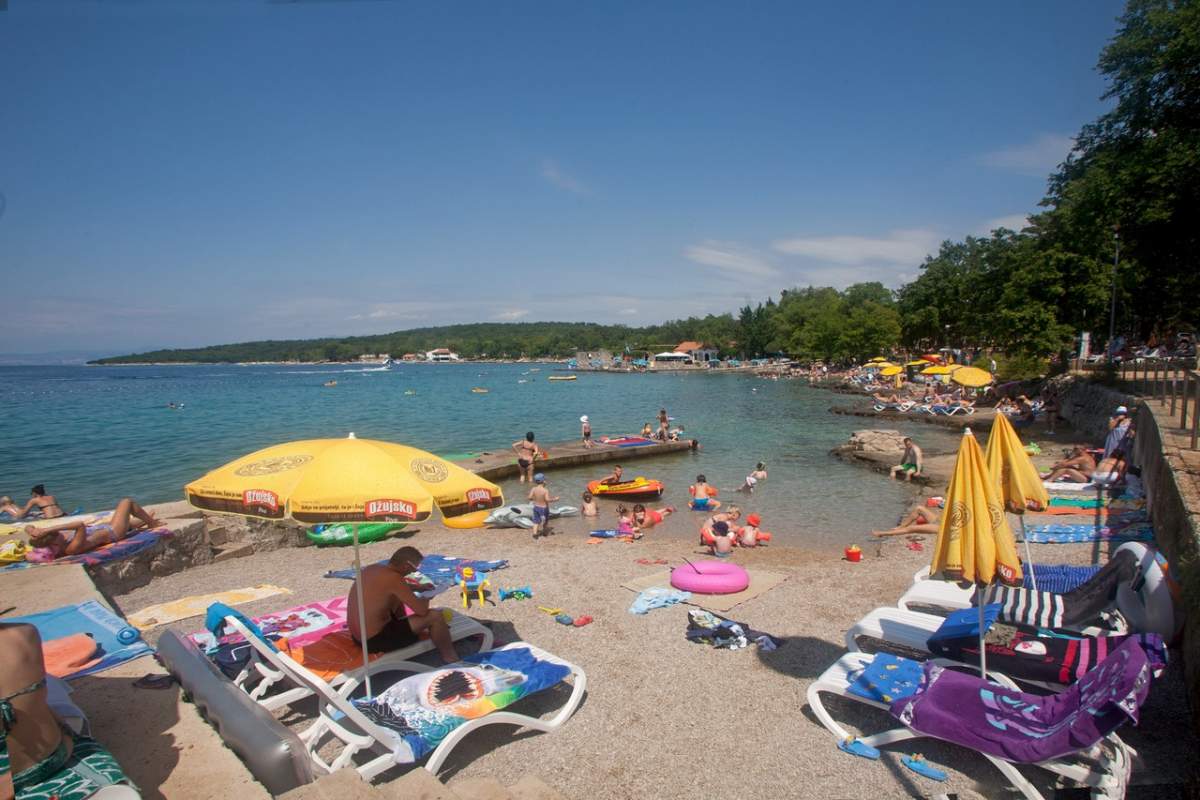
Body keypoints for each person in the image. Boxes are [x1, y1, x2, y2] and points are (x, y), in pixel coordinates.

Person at [346, 546, 458, 663]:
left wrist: (418, 587)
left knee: (396, 597)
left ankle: (405, 628)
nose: (414, 572)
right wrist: (428, 595)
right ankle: (450, 656)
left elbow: (393, 587)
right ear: (406, 566)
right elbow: (422, 611)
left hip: (358, 638)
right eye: (414, 569)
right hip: (374, 642)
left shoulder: (372, 569)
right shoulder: (394, 578)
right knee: (435, 616)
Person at [26, 497, 161, 558]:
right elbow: (79, 525)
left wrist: (33, 530)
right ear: (54, 542)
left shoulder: (59, 542)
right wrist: (50, 529)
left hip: (105, 527)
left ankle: (146, 519)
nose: (62, 534)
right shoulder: (71, 548)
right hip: (113, 533)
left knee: (131, 522)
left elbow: (28, 526)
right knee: (127, 502)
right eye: (59, 535)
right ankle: (151, 523)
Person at [873, 503, 942, 536]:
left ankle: (882, 533)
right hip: (940, 521)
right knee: (919, 508)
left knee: (911, 528)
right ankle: (900, 527)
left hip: (943, 528)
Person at [528, 473, 558, 539]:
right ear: (543, 481)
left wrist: (535, 499)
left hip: (536, 507)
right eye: (545, 479)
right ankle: (545, 533)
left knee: (536, 521)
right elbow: (547, 500)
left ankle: (535, 534)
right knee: (545, 521)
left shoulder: (533, 489)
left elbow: (529, 497)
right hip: (544, 508)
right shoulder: (545, 490)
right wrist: (555, 499)